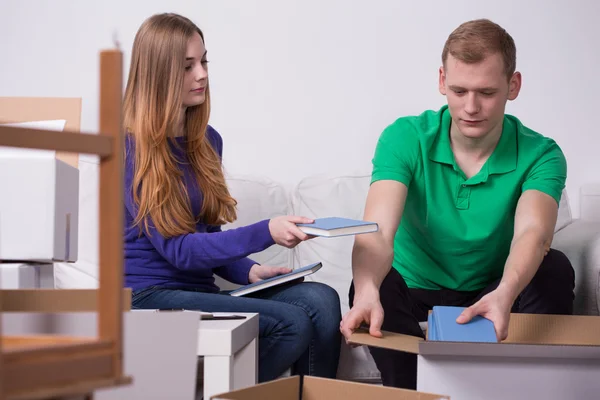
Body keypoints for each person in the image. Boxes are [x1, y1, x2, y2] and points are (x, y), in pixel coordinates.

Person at [340, 18, 574, 389]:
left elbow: (534, 232)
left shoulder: (541, 153)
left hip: (491, 289)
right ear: (441, 82)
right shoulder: (405, 137)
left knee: (555, 268)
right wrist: (367, 289)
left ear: (513, 86)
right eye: (459, 90)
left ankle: (526, 389)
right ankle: (412, 393)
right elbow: (379, 230)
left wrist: (506, 291)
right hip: (414, 290)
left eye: (486, 92)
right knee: (369, 285)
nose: (470, 107)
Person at [122, 13, 341, 382]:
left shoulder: (208, 140)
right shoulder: (131, 148)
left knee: (321, 300)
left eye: (204, 61)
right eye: (187, 66)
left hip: (198, 290)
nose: (202, 74)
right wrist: (266, 231)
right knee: (290, 323)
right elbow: (179, 250)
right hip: (148, 296)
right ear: (158, 73)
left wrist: (250, 271)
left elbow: (206, 238)